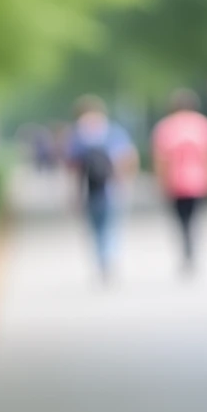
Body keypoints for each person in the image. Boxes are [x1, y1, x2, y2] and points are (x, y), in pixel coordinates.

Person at [67, 95, 139, 281]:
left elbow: (73, 168)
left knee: (96, 227)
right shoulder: (113, 131)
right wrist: (126, 181)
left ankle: (101, 259)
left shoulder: (78, 134)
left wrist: (73, 194)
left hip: (88, 189)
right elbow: (128, 157)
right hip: (112, 187)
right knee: (111, 225)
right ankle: (109, 256)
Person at [151, 89, 207, 273]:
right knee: (195, 218)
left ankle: (186, 248)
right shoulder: (204, 125)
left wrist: (160, 181)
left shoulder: (165, 127)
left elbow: (160, 159)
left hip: (175, 181)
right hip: (201, 180)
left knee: (181, 219)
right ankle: (191, 247)